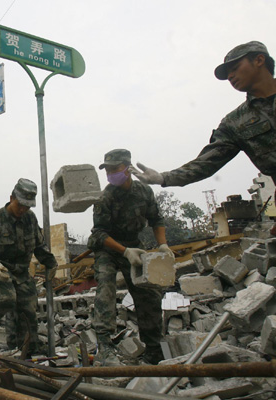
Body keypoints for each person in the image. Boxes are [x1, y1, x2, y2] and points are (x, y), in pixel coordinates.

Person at [133, 41, 276, 235]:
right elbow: (205, 164)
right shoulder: (236, 123)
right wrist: (163, 177)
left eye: (235, 68)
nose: (231, 77)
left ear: (259, 60)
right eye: (227, 75)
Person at [87, 149, 174, 366]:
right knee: (106, 289)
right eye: (107, 170)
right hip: (108, 248)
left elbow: (157, 219)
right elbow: (98, 234)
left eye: (115, 169)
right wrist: (124, 252)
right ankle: (105, 345)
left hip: (135, 244)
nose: (110, 174)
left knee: (149, 294)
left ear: (127, 168)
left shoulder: (144, 192)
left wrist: (162, 244)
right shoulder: (105, 197)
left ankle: (154, 347)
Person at [0, 178, 58, 355]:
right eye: (20, 205)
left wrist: (51, 262)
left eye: (27, 206)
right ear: (11, 198)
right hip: (1, 271)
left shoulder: (30, 219)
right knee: (7, 299)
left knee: (28, 308)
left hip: (22, 273)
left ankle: (25, 347)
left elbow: (39, 245)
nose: (22, 210)